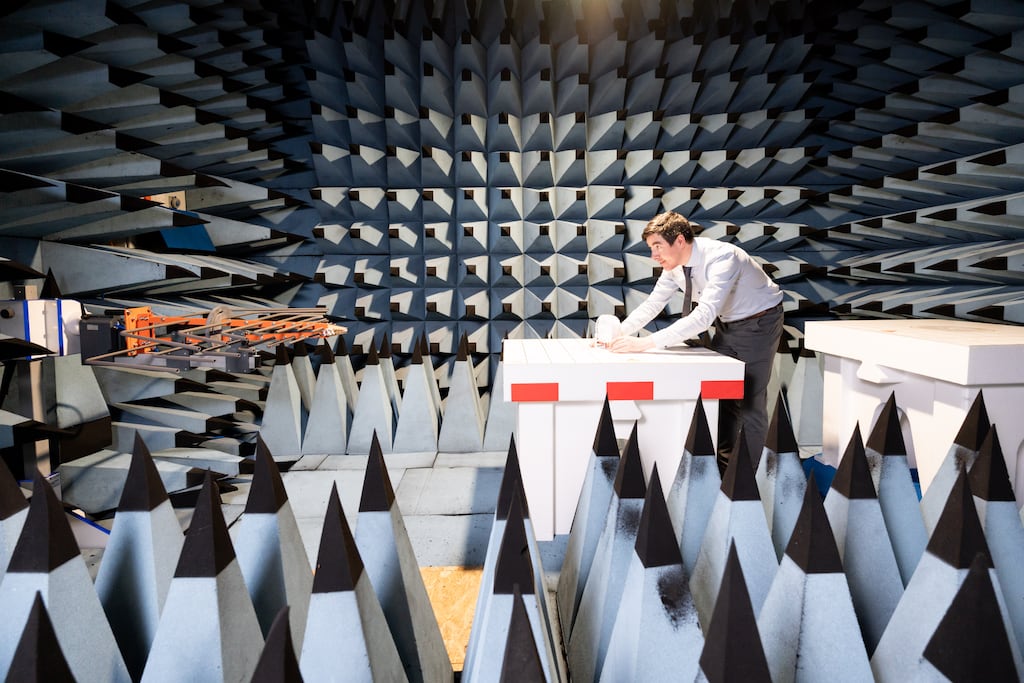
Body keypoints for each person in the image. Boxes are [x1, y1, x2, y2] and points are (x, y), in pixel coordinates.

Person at [604, 211, 784, 466]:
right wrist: (619, 333)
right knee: (723, 395)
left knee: (749, 400)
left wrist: (643, 343)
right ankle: (725, 466)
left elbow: (703, 317)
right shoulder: (675, 266)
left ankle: (748, 477)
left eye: (657, 246)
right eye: (650, 248)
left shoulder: (723, 258)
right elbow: (653, 304)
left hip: (759, 322)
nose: (653, 255)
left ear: (679, 240)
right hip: (728, 323)